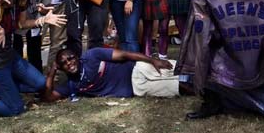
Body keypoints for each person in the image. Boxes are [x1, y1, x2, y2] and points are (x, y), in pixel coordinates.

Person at [45, 47, 182, 101]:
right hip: (137, 88)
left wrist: (153, 60)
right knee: (179, 87)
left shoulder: (92, 55)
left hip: (137, 67)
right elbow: (48, 96)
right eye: (63, 63)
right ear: (61, 68)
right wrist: (52, 73)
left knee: (183, 68)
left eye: (70, 58)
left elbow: (124, 54)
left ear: (76, 57)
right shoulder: (72, 85)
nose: (69, 63)